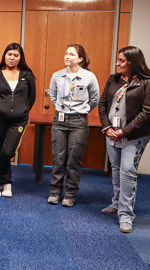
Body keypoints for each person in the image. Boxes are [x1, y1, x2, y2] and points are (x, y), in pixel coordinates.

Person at [98, 46, 150, 233]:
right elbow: (102, 104)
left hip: (134, 136)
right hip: (112, 134)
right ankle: (116, 203)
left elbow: (148, 112)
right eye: (118, 60)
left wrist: (124, 131)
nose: (117, 63)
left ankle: (126, 215)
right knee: (116, 169)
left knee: (127, 171)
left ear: (134, 62)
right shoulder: (114, 79)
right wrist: (107, 127)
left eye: (122, 61)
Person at [47, 44, 99, 207]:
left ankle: (70, 194)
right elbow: (53, 97)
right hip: (60, 120)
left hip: (79, 121)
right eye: (66, 53)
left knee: (74, 159)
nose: (67, 56)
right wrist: (62, 108)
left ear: (80, 59)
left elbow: (95, 98)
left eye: (71, 54)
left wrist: (81, 111)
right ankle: (55, 192)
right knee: (58, 157)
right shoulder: (57, 76)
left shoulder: (89, 76)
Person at [0, 43, 36, 198]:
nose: (12, 58)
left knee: (8, 152)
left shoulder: (27, 75)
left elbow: (31, 98)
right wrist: (1, 107)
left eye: (16, 55)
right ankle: (6, 183)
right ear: (4, 55)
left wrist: (22, 110)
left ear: (20, 58)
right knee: (0, 151)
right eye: (9, 54)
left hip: (18, 121)